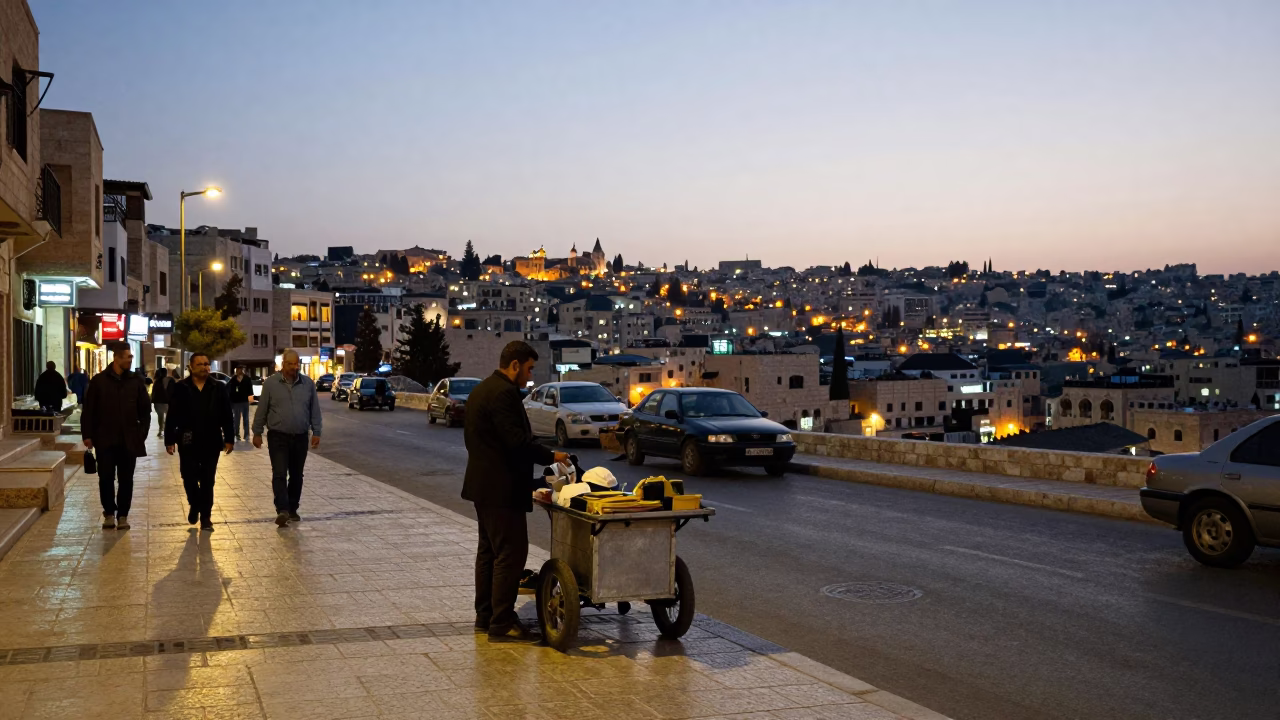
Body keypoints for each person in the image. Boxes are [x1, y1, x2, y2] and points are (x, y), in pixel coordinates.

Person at [462, 341, 569, 643]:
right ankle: (502, 622)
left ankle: (486, 616)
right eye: (529, 368)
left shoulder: (481, 389)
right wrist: (552, 457)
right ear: (514, 365)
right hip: (501, 489)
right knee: (511, 554)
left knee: (489, 553)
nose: (530, 375)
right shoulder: (505, 394)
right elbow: (517, 442)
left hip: (483, 485)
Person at [81, 343, 151, 531]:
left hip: (129, 441)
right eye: (127, 357)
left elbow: (145, 411)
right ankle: (109, 513)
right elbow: (89, 410)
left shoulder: (136, 381)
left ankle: (123, 515)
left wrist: (141, 434)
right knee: (105, 478)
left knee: (126, 479)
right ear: (117, 358)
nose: (130, 360)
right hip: (105, 440)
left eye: (130, 357)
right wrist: (87, 434)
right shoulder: (98, 381)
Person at [252, 349, 322, 528]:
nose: (294, 367)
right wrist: (257, 432)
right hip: (278, 436)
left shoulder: (308, 384)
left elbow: (314, 409)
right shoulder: (271, 384)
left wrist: (317, 431)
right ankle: (282, 509)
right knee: (280, 473)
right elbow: (262, 409)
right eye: (290, 364)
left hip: (300, 437)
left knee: (297, 475)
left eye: (296, 364)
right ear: (283, 365)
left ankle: (293, 508)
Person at [164, 353, 234, 531]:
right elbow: (172, 414)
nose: (205, 367)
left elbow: (227, 415)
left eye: (207, 364)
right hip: (188, 440)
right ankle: (194, 504)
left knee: (208, 480)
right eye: (201, 364)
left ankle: (206, 517)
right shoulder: (181, 387)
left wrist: (229, 438)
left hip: (211, 440)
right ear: (191, 367)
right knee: (188, 477)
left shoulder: (218, 387)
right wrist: (169, 439)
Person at [227, 367, 255, 442]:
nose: (238, 371)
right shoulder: (233, 379)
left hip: (244, 401)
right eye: (236, 370)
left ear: (242, 370)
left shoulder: (247, 379)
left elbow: (250, 390)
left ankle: (246, 435)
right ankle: (237, 434)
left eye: (239, 369)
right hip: (236, 402)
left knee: (246, 419)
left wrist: (250, 399)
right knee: (236, 419)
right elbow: (228, 389)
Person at [151, 368, 175, 437]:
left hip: (158, 402)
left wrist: (153, 400)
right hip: (166, 402)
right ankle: (166, 430)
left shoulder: (156, 381)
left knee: (160, 417)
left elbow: (154, 392)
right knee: (168, 417)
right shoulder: (169, 380)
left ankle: (161, 430)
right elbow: (172, 391)